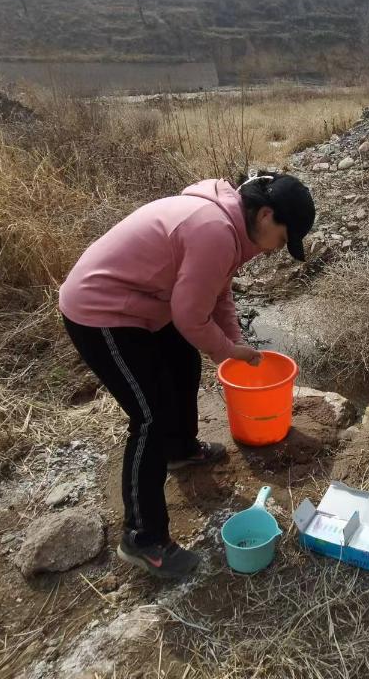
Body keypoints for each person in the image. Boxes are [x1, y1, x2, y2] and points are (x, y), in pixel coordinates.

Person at [59, 171, 315, 579]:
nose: (276, 251)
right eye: (283, 240)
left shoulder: (231, 224)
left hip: (144, 302)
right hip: (101, 311)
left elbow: (218, 292)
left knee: (183, 361)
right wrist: (228, 352)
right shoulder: (213, 229)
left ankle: (180, 450)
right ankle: (143, 538)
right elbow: (190, 317)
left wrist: (234, 340)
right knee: (150, 416)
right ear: (266, 214)